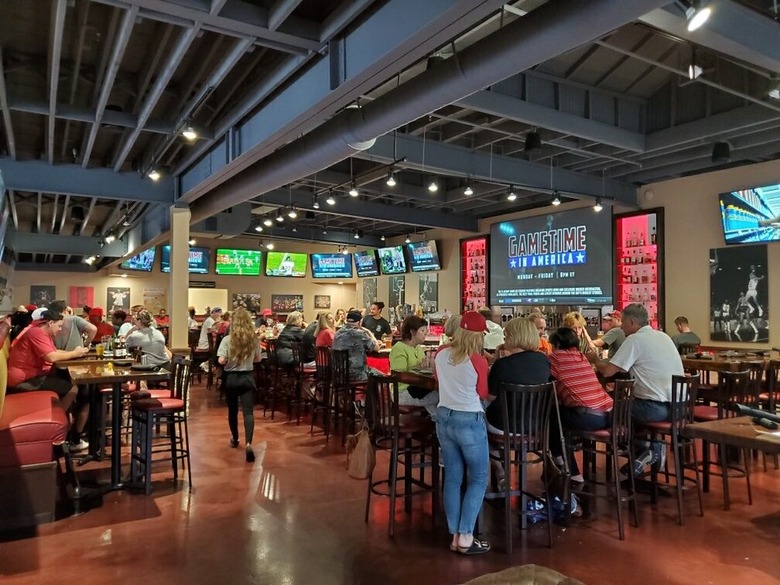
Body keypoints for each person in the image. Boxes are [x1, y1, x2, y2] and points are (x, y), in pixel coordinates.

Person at [590, 303, 683, 477]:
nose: (621, 327)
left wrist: (595, 359)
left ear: (632, 322)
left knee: (613, 411)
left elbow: (608, 371)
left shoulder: (634, 339)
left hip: (655, 409)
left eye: (623, 323)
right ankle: (649, 449)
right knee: (629, 408)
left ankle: (647, 449)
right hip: (680, 408)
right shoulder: (664, 336)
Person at [434, 310, 491, 555]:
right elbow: (482, 393)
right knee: (478, 478)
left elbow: (438, 381)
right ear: (478, 336)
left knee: (453, 478)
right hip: (469, 419)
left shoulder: (440, 353)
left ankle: (455, 535)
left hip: (444, 417)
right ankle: (466, 536)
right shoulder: (478, 360)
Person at [7, 310, 91, 450]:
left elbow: (55, 352)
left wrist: (77, 353)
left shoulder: (40, 332)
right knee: (73, 388)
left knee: (68, 384)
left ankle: (65, 430)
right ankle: (58, 429)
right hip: (22, 381)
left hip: (30, 377)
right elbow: (51, 357)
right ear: (50, 323)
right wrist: (74, 353)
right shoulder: (37, 333)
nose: (60, 329)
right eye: (59, 326)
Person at [484, 316, 551, 488]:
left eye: (506, 335)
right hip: (536, 426)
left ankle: (500, 471)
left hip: (505, 427)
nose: (504, 338)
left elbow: (490, 397)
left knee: (476, 423)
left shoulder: (502, 364)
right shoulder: (544, 360)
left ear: (514, 337)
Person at [548, 327, 613, 482]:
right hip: (610, 415)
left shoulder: (555, 358)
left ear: (557, 344)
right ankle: (559, 462)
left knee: (552, 417)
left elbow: (544, 380)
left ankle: (570, 470)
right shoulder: (581, 356)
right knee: (560, 415)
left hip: (588, 417)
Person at [217, 307, 263, 463]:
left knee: (233, 410)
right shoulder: (253, 340)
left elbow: (221, 360)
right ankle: (249, 443)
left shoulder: (227, 340)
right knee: (248, 412)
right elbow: (258, 359)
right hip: (248, 378)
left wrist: (228, 360)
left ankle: (235, 438)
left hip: (232, 379)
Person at [389, 315, 439, 417]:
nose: (426, 333)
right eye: (422, 330)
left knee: (440, 395)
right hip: (402, 392)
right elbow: (398, 375)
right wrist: (420, 366)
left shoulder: (418, 348)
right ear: (412, 332)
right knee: (439, 397)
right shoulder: (398, 349)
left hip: (419, 389)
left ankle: (436, 421)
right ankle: (439, 422)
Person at [332, 309, 382, 381]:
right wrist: (368, 332)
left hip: (339, 374)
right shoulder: (360, 334)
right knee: (381, 376)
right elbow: (376, 348)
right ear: (360, 322)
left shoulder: (338, 333)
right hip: (356, 374)